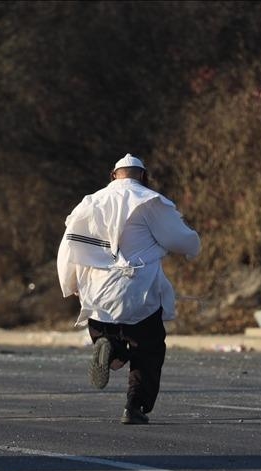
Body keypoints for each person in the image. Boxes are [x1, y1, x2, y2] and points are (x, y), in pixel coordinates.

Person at [57, 153, 201, 424]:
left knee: (112, 339)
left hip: (97, 295)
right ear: (143, 176)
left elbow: (68, 246)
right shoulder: (150, 202)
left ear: (113, 175)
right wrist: (195, 245)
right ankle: (134, 407)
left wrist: (71, 283)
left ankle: (109, 347)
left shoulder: (89, 203)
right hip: (138, 293)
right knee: (148, 350)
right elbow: (180, 239)